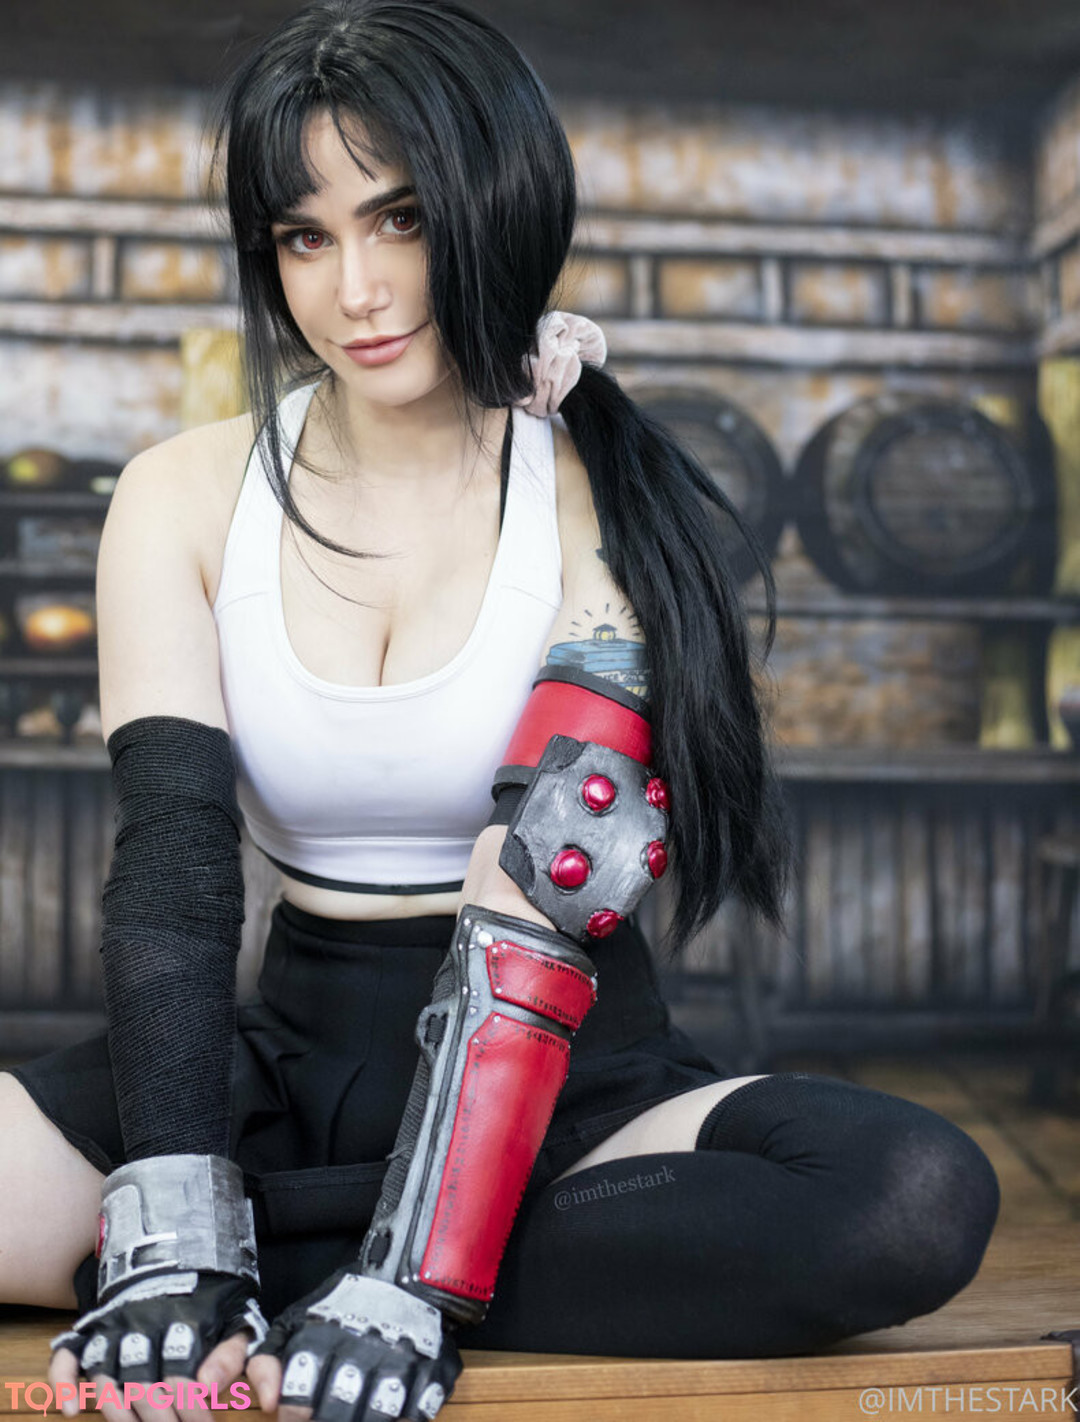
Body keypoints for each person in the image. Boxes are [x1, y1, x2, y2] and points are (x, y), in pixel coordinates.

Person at [0, 2, 1000, 1418]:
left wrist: (416, 1276)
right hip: (267, 1071)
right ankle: (276, 1262)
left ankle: (367, 1268)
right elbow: (171, 875)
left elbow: (547, 880)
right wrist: (170, 1229)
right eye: (304, 237)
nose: (357, 289)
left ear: (498, 201)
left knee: (908, 1193)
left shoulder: (601, 496)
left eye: (401, 219)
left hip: (560, 1081)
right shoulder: (183, 492)